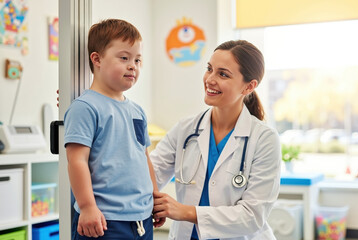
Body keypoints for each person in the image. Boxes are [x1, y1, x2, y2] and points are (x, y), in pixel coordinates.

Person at [150, 40, 281, 239]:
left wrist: (184, 211)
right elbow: (151, 175)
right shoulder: (186, 129)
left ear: (249, 86)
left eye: (223, 74)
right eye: (209, 69)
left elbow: (252, 216)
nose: (210, 79)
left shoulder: (264, 139)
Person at [64, 19, 163, 240]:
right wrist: (88, 207)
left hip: (141, 218)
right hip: (103, 221)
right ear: (97, 59)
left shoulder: (137, 111)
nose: (133, 66)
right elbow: (76, 161)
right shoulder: (85, 107)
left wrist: (155, 198)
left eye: (138, 60)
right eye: (124, 58)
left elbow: (144, 157)